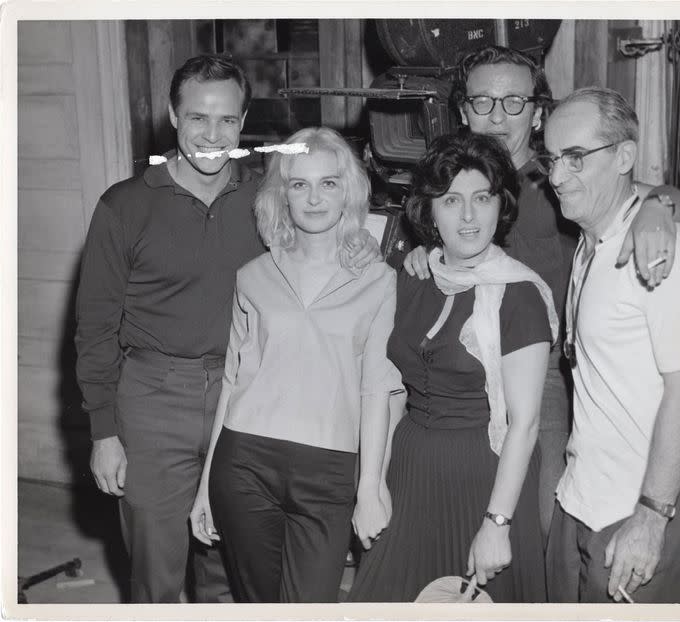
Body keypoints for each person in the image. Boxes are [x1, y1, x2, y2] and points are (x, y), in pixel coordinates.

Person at [74, 55, 378, 603]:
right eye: (197, 118)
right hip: (152, 400)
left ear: (244, 121)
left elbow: (329, 235)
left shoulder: (267, 199)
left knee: (228, 573)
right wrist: (104, 432)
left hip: (243, 404)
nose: (212, 136)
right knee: (157, 571)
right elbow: (95, 329)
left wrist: (400, 252)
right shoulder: (124, 205)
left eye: (227, 121)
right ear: (172, 115)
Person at [403, 45, 680, 542]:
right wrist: (422, 253)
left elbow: (675, 197)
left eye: (514, 102)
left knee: (542, 520)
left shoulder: (560, 179)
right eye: (483, 102)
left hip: (545, 380)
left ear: (538, 112)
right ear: (461, 110)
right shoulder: (451, 177)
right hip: (459, 378)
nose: (497, 116)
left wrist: (658, 207)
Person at [188, 127, 398, 603]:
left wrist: (370, 487)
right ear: (282, 194)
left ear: (349, 191)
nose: (314, 198)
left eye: (329, 183)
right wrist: (205, 487)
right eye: (299, 184)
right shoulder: (253, 276)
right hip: (245, 462)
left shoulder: (380, 281)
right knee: (259, 605)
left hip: (329, 469)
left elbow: (375, 390)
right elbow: (233, 382)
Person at [348, 131, 559, 603]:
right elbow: (390, 391)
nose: (468, 217)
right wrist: (372, 485)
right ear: (429, 211)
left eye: (481, 198)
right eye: (450, 200)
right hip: (411, 471)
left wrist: (497, 524)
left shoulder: (518, 293)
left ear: (499, 205)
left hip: (485, 477)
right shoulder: (414, 277)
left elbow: (524, 424)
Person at [542, 87, 680, 603]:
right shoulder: (591, 239)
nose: (555, 177)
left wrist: (652, 515)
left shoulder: (662, 251)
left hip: (641, 511)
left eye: (575, 158)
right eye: (552, 160)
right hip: (582, 495)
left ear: (623, 155)